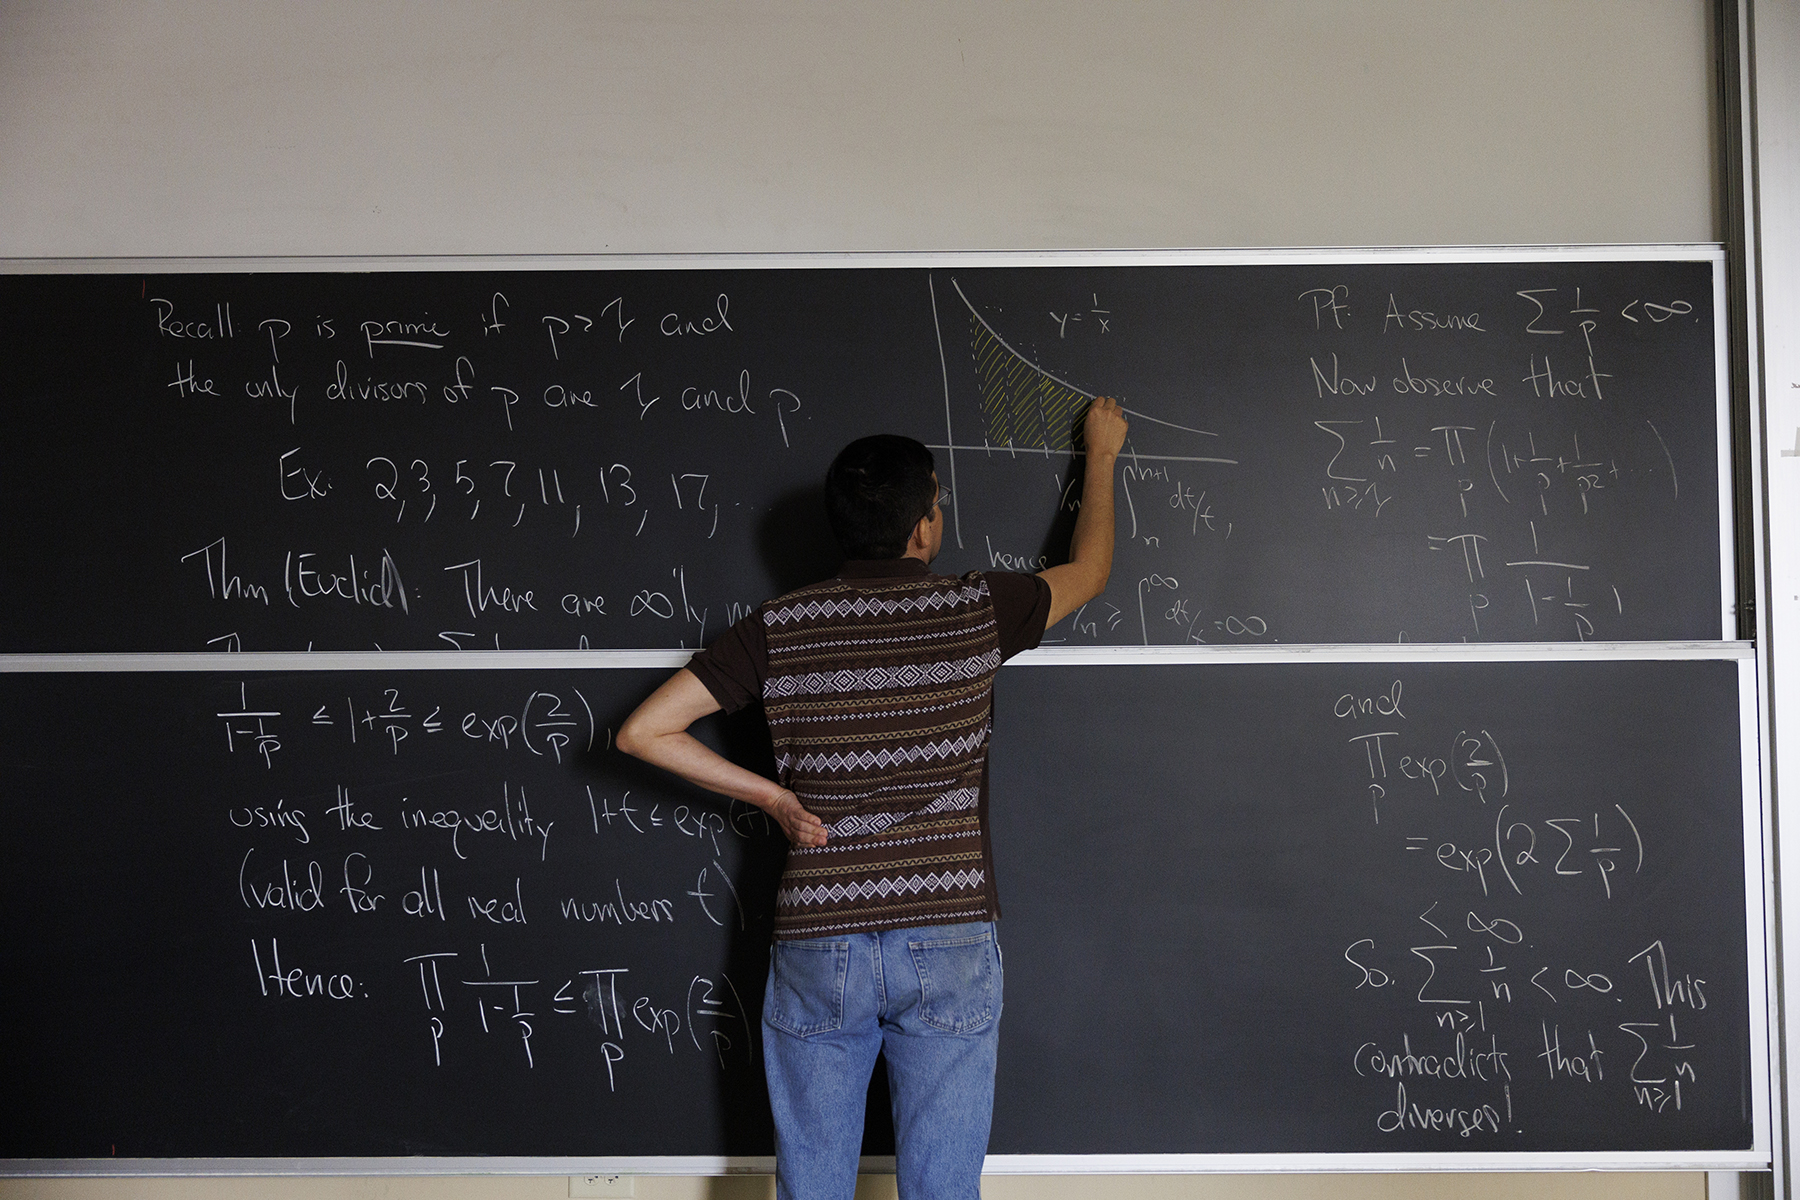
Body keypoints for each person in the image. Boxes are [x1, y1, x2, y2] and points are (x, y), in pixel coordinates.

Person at [617, 397, 1129, 1199]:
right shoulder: (977, 608)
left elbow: (645, 731)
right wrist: (1100, 455)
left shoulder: (779, 627)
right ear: (923, 526)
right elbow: (1092, 571)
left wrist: (778, 800)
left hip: (820, 936)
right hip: (949, 935)